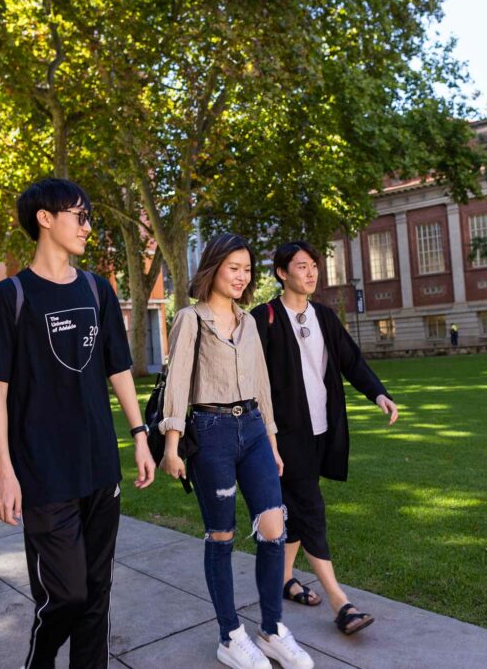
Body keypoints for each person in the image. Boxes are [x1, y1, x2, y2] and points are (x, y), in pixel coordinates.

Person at [0, 178, 156, 669]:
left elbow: (117, 367)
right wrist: (4, 471)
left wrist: (140, 437)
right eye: (79, 215)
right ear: (45, 218)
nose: (87, 226)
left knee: (98, 594)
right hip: (43, 472)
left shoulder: (98, 289)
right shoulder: (9, 297)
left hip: (99, 465)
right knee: (66, 596)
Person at [159, 233, 314, 669]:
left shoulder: (249, 323)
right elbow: (178, 383)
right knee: (221, 536)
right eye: (235, 268)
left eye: (248, 270)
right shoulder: (191, 319)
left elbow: (262, 385)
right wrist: (172, 446)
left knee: (273, 527)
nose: (243, 277)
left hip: (252, 429)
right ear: (213, 268)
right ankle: (230, 635)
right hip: (210, 434)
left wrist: (273, 442)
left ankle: (272, 629)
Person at [252, 241, 398, 636]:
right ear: (282, 273)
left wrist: (378, 393)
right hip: (284, 436)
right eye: (302, 266)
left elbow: (351, 360)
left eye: (314, 265)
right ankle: (340, 602)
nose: (312, 272)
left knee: (297, 508)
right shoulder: (262, 319)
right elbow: (249, 382)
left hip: (322, 430)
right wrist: (264, 438)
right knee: (310, 508)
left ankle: (283, 580)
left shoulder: (324, 316)